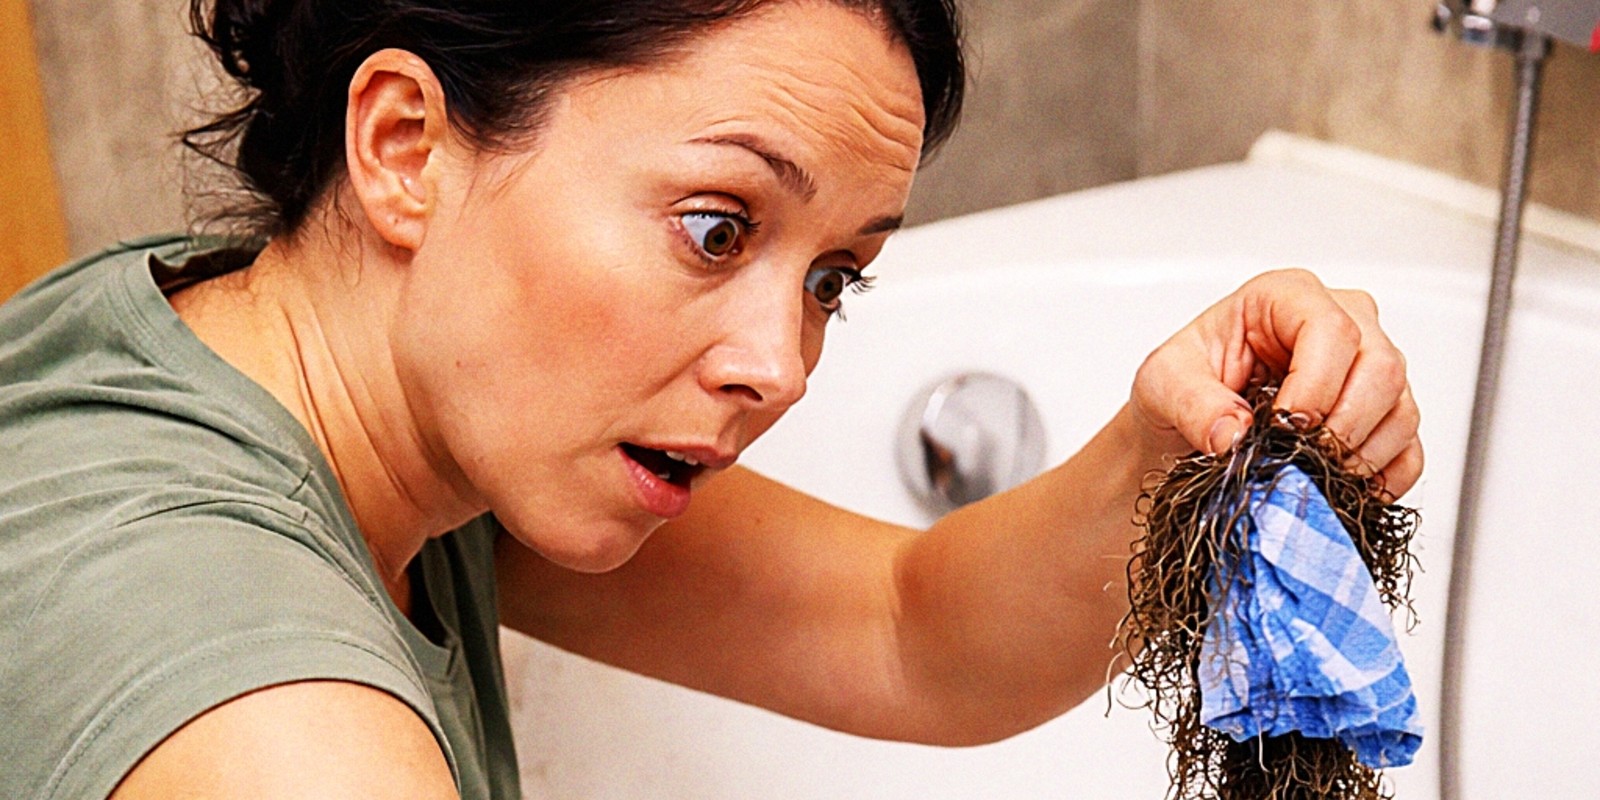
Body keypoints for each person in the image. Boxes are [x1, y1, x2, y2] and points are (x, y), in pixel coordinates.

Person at [0, 0, 1422, 797]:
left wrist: (1173, 449)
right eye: (716, 228)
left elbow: (909, 632)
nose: (782, 367)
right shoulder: (267, 716)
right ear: (406, 148)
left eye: (832, 279)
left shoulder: (322, 376)